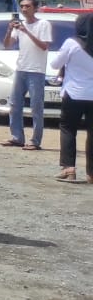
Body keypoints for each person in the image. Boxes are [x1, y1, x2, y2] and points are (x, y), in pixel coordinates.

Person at [49, 12, 93, 183]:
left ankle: (69, 168)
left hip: (74, 93)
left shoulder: (72, 43)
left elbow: (55, 64)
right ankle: (91, 174)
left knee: (68, 128)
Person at [3, 0, 52, 150]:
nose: (24, 9)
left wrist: (27, 31)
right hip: (21, 68)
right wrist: (10, 29)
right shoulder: (20, 25)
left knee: (36, 106)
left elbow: (44, 46)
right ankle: (17, 137)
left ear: (35, 8)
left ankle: (35, 140)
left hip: (36, 70)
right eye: (22, 6)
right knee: (14, 104)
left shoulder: (43, 24)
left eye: (28, 6)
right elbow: (7, 45)